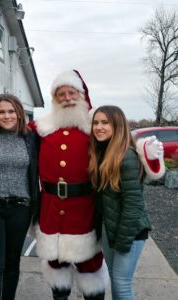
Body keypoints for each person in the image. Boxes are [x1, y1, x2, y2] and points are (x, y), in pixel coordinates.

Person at [29, 69, 165, 300]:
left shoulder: (93, 127)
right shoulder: (41, 128)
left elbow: (120, 146)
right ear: (54, 99)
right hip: (51, 209)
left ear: (82, 96)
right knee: (57, 269)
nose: (67, 98)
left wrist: (146, 153)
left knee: (90, 269)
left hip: (86, 209)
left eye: (72, 92)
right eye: (61, 94)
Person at [88, 105, 164, 300]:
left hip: (129, 231)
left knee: (122, 284)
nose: (99, 127)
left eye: (105, 122)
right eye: (96, 123)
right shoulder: (103, 152)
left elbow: (133, 204)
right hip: (111, 227)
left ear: (118, 125)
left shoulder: (127, 155)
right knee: (116, 279)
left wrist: (121, 240)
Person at [0, 94, 40, 300]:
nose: (7, 116)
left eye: (11, 111)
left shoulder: (30, 137)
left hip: (20, 208)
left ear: (19, 113)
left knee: (12, 264)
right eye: (1, 112)